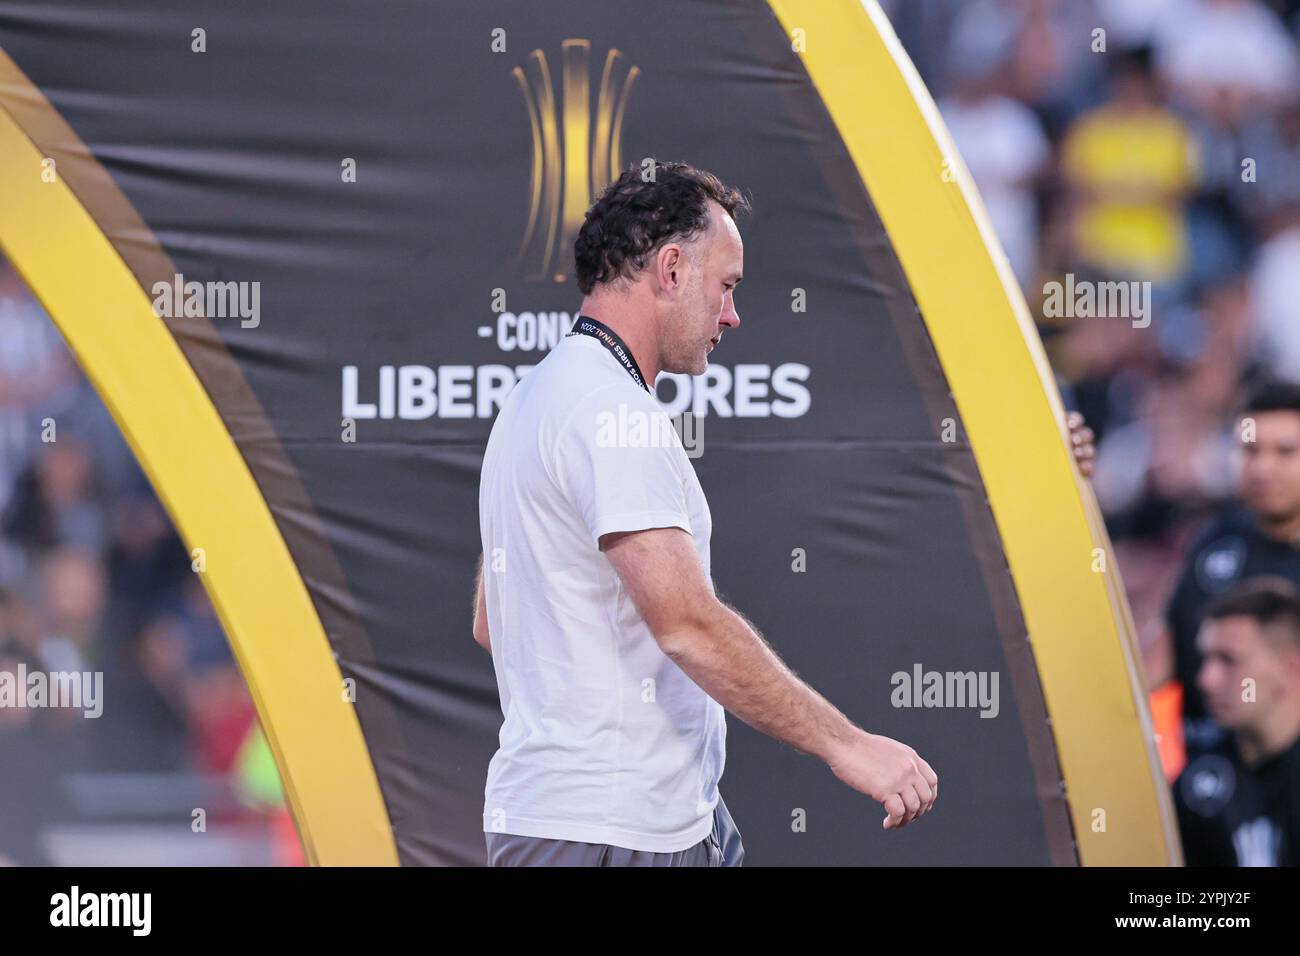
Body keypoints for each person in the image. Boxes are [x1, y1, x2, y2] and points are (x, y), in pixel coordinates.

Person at [472, 161, 1095, 868]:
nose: (732, 315)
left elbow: (495, 624)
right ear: (671, 270)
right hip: (616, 832)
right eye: (727, 285)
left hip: (618, 820)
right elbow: (686, 625)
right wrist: (849, 746)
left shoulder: (532, 401)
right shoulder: (612, 413)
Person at [1146, 383, 1300, 750]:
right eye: (1250, 450)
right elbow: (1160, 657)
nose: (1263, 468)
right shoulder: (1216, 541)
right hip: (1211, 770)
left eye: (1285, 451)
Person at [1173, 577, 1300, 866]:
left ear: (1291, 667)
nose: (1205, 680)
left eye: (1229, 660)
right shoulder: (1199, 783)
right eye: (1205, 659)